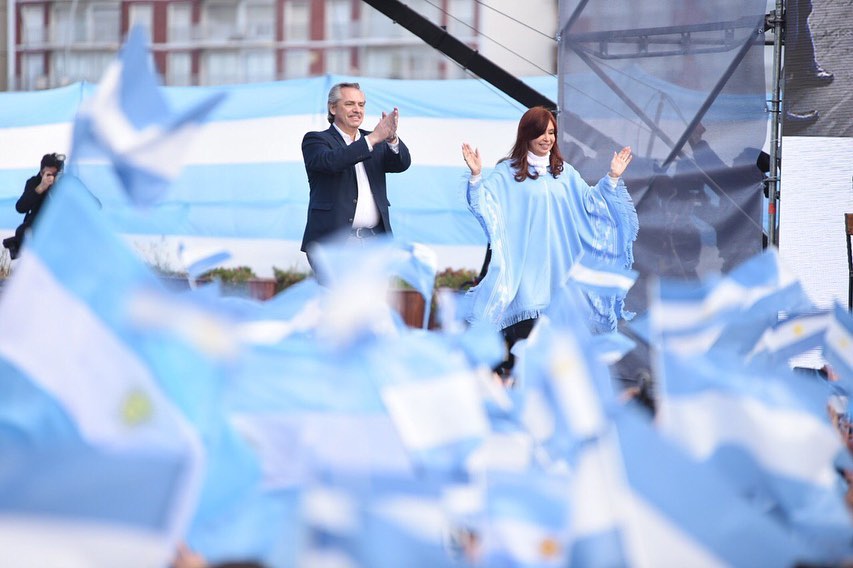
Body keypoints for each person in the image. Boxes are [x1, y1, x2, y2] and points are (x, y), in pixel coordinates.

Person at [461, 107, 637, 373]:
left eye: (552, 132)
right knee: (528, 360)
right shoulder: (507, 173)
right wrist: (476, 176)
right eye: (541, 132)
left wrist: (612, 177)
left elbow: (591, 204)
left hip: (561, 281)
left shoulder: (564, 173)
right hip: (525, 285)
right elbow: (484, 204)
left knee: (562, 364)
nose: (547, 138)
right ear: (527, 134)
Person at [300, 82, 412, 271]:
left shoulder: (374, 140)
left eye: (361, 105)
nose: (357, 110)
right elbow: (332, 161)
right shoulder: (316, 140)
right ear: (333, 108)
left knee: (374, 300)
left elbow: (401, 164)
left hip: (374, 242)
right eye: (350, 104)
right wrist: (373, 139)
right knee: (337, 299)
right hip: (334, 244)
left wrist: (392, 138)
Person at [3, 152, 65, 260]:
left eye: (55, 175)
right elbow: (20, 207)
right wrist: (41, 187)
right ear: (41, 173)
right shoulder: (34, 182)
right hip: (38, 228)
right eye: (48, 175)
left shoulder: (68, 183)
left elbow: (95, 203)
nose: (52, 179)